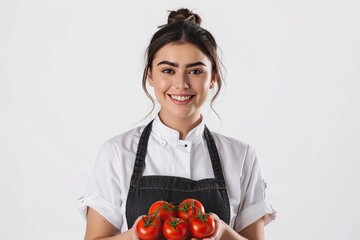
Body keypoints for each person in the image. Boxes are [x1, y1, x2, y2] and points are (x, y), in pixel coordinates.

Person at [77, 8, 277, 240]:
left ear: (213, 77)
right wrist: (134, 237)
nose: (181, 84)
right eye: (168, 70)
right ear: (150, 75)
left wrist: (223, 232)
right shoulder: (117, 152)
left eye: (195, 71)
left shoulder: (242, 156)